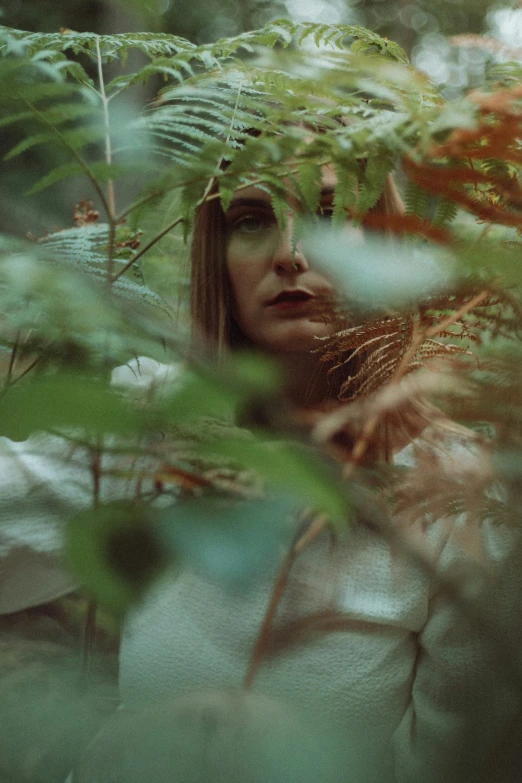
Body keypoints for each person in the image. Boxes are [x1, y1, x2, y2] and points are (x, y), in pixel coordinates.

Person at [1, 149, 520, 783]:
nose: (290, 254)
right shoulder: (156, 412)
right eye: (253, 220)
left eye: (328, 214)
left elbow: (462, 755)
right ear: (216, 257)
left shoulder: (454, 484)